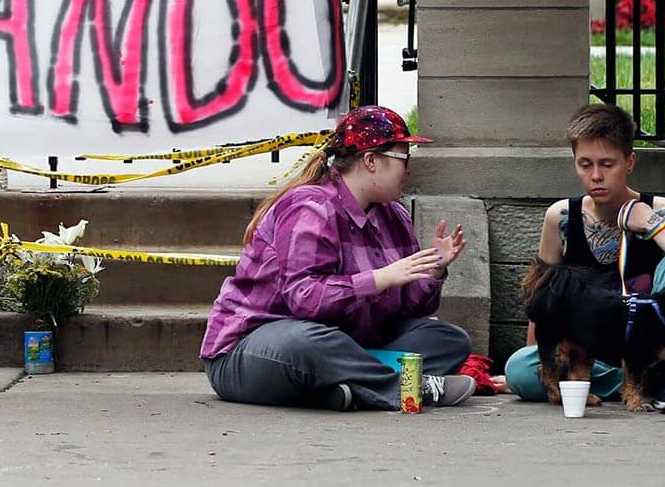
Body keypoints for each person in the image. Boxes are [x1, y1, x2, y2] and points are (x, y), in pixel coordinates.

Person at [201, 105, 477, 411]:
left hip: (346, 344)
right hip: (256, 349)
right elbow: (302, 299)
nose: (408, 168)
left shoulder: (395, 216)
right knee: (306, 343)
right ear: (371, 160)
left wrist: (432, 271)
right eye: (404, 157)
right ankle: (408, 387)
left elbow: (412, 308)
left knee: (449, 340)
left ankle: (346, 387)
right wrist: (381, 278)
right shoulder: (309, 207)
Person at [504, 103, 665, 412]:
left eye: (607, 164)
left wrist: (651, 224)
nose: (596, 176)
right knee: (518, 370)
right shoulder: (561, 217)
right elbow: (544, 297)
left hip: (652, 346)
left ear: (630, 162)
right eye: (585, 164)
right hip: (590, 347)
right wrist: (542, 356)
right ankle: (649, 381)